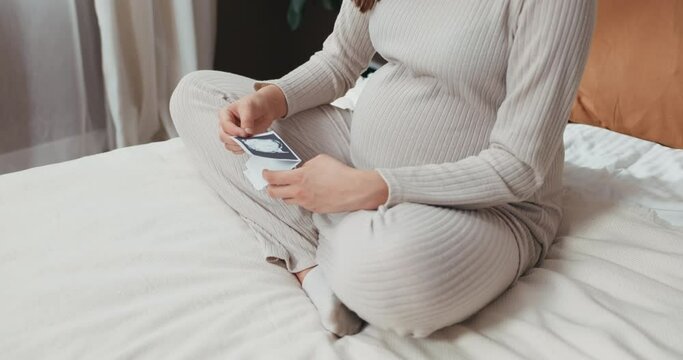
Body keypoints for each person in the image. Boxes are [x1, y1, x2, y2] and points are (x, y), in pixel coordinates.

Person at [170, 0, 595, 338]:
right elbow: (339, 62)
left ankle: (326, 224)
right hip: (360, 157)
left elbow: (520, 167)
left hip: (488, 205)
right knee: (199, 96)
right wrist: (273, 100)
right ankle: (310, 265)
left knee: (391, 271)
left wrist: (367, 189)